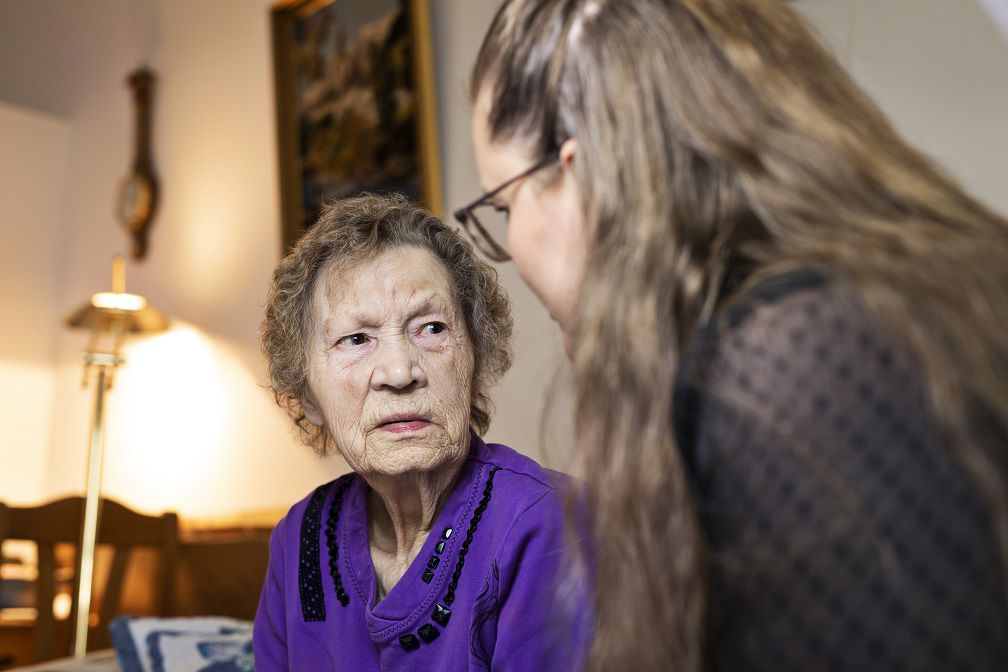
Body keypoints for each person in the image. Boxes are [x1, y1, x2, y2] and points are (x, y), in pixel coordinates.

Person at [455, 1, 1008, 670]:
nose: (509, 246)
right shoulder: (829, 323)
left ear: (580, 176)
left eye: (503, 205)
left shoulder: (788, 371)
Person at [254, 194, 589, 671]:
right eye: (356, 339)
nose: (399, 371)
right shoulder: (300, 538)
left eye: (431, 328)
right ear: (306, 394)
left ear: (474, 360)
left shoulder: (548, 525)